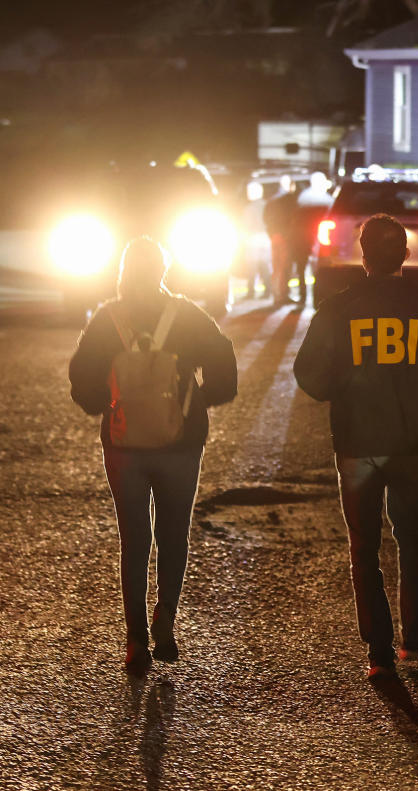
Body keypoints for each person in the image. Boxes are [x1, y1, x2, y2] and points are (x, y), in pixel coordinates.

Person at [293, 213, 418, 679]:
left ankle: (379, 651)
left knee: (364, 546)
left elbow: (308, 373)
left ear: (363, 255)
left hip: (357, 440)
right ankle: (416, 634)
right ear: (406, 256)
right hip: (412, 441)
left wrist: (344, 386)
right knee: (411, 537)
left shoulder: (338, 309)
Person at [68, 237, 238, 676]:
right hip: (180, 442)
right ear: (163, 271)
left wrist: (102, 405)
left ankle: (135, 638)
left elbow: (80, 374)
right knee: (174, 534)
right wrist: (201, 398)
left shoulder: (107, 319)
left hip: (124, 444)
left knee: (134, 540)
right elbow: (224, 361)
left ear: (123, 273)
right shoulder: (187, 316)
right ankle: (166, 615)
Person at [263, 176, 303, 305]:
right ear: (291, 185)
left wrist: (272, 233)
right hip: (285, 237)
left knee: (277, 266)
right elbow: (294, 219)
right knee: (284, 267)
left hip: (275, 236)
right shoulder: (290, 200)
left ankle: (277, 295)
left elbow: (266, 219)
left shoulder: (272, 201)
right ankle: (282, 295)